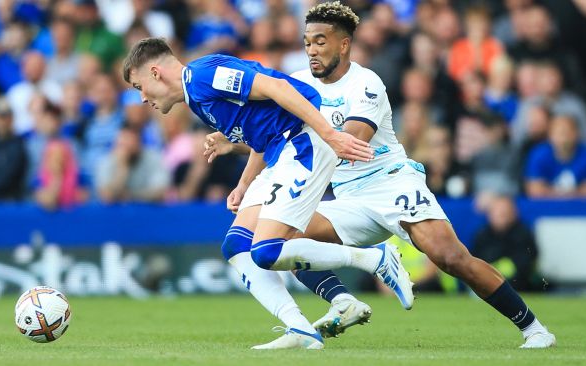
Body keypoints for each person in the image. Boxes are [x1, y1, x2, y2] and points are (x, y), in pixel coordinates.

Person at [204, 1, 555, 349]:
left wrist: (299, 138)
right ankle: (343, 301)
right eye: (308, 42)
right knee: (281, 240)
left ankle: (534, 328)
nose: (312, 50)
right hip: (346, 196)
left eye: (321, 42)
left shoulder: (366, 84)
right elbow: (275, 138)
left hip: (390, 182)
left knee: (451, 258)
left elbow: (350, 142)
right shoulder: (295, 84)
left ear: (344, 44)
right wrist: (236, 148)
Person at [122, 36, 407, 350]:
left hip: (302, 143)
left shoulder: (203, 76)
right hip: (278, 153)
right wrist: (244, 184)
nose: (142, 99)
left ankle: (375, 258)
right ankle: (300, 329)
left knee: (267, 251)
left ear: (155, 73)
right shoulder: (196, 97)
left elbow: (278, 89)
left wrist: (330, 135)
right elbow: (261, 131)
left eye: (139, 87)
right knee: (237, 246)